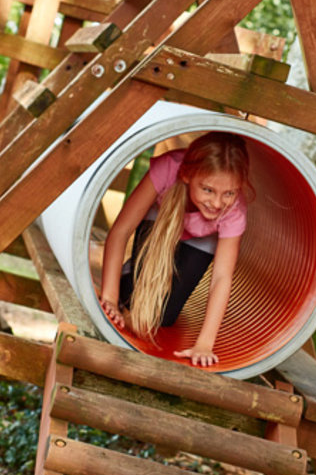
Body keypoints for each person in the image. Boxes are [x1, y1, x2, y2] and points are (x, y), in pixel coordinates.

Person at [99, 133, 251, 367]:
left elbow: (221, 277)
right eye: (208, 190)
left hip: (200, 238)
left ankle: (142, 284)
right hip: (161, 220)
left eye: (228, 193)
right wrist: (109, 297)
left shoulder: (233, 211)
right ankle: (130, 274)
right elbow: (121, 231)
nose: (218, 203)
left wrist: (204, 344)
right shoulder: (168, 169)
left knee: (163, 318)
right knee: (130, 299)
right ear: (188, 175)